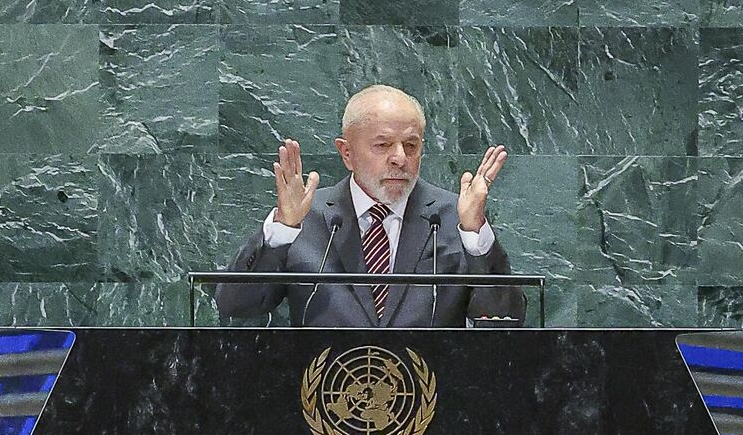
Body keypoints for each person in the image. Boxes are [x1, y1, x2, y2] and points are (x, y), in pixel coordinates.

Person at [214, 86, 522, 328]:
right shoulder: (305, 219)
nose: (400, 158)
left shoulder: (455, 218)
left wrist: (475, 236)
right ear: (347, 153)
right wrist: (282, 230)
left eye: (411, 146)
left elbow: (505, 319)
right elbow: (236, 306)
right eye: (383, 145)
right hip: (323, 397)